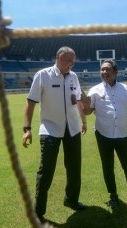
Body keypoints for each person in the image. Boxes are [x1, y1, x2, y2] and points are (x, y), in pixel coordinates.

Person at [22, 46, 87, 222]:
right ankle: (38, 210)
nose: (71, 64)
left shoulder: (73, 77)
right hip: (50, 128)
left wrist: (84, 120)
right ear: (59, 57)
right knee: (46, 170)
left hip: (72, 128)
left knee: (74, 168)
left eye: (73, 61)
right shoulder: (43, 75)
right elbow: (30, 103)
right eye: (68, 61)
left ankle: (71, 199)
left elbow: (78, 99)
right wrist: (27, 129)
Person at [81, 59, 127, 215]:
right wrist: (86, 105)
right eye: (102, 70)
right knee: (108, 168)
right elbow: (87, 112)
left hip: (122, 135)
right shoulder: (94, 90)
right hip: (103, 135)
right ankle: (113, 196)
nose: (104, 72)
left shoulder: (125, 89)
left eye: (107, 69)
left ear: (115, 72)